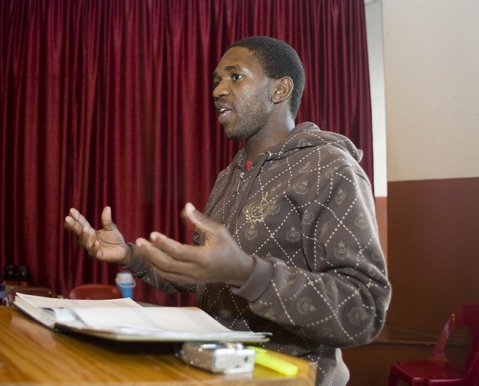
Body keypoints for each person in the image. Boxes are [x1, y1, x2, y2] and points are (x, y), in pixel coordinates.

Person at [64, 36, 391, 385]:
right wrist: (130, 255)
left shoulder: (329, 168)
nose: (218, 90)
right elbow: (202, 273)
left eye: (235, 77)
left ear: (279, 89)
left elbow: (364, 309)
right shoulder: (229, 176)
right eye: (216, 80)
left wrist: (249, 274)